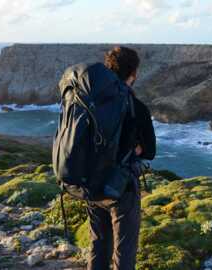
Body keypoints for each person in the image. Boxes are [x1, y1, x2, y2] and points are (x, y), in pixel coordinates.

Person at [86, 46, 156, 270]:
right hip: (121, 187)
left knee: (98, 244)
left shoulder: (90, 101)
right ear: (133, 73)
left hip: (91, 181)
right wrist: (135, 149)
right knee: (123, 250)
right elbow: (151, 151)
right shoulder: (137, 107)